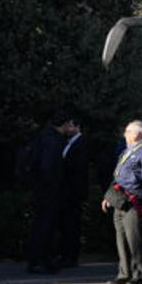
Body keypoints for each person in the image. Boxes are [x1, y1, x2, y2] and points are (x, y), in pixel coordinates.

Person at [102, 120, 142, 284]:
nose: (125, 134)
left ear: (137, 134)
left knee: (135, 239)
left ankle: (139, 275)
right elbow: (118, 177)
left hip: (133, 201)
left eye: (128, 131)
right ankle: (124, 273)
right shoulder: (127, 151)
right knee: (121, 239)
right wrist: (109, 197)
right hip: (119, 200)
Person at [27, 110, 74, 274]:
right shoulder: (53, 140)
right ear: (64, 124)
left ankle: (38, 259)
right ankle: (42, 260)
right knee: (46, 224)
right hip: (48, 190)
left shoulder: (44, 136)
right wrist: (53, 184)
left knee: (40, 224)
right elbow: (47, 165)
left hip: (41, 188)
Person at [56, 119, 90, 268]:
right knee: (66, 223)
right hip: (66, 191)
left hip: (73, 192)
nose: (68, 128)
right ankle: (65, 254)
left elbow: (79, 169)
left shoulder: (81, 143)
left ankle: (71, 256)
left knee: (72, 224)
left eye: (70, 125)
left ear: (77, 127)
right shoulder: (68, 143)